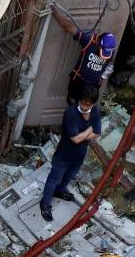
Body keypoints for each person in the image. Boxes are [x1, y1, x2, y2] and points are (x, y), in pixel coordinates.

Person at [40, 86, 103, 222]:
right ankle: (45, 204)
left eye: (88, 104)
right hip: (64, 155)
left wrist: (86, 133)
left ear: (93, 103)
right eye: (83, 103)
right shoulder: (71, 113)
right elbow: (75, 139)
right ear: (79, 100)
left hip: (79, 156)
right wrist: (90, 129)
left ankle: (60, 191)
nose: (85, 107)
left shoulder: (95, 111)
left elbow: (97, 133)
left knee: (69, 177)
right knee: (54, 180)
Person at [52, 5, 118, 104]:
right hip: (79, 81)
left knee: (86, 106)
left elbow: (109, 64)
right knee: (72, 102)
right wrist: (54, 11)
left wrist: (108, 70)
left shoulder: (110, 51)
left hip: (94, 85)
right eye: (102, 51)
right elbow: (69, 27)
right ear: (99, 43)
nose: (103, 55)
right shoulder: (89, 39)